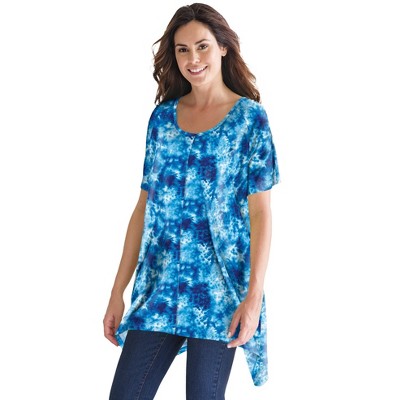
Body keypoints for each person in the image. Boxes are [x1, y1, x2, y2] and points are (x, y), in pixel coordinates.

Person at [103, 3, 280, 399]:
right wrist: (118, 291)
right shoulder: (162, 120)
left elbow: (261, 213)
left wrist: (253, 298)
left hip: (219, 290)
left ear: (223, 47)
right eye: (182, 49)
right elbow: (144, 208)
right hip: (160, 285)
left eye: (202, 46)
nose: (193, 59)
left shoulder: (250, 120)